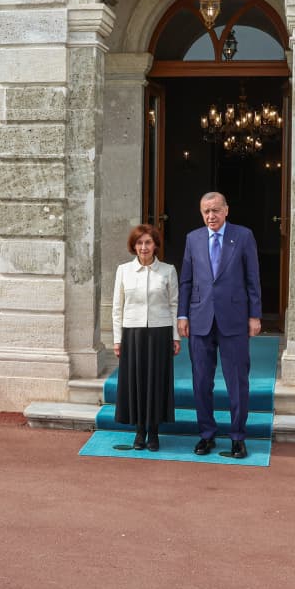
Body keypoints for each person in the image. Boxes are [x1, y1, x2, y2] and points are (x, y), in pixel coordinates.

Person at [177, 192, 261, 459]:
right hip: (200, 319)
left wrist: (255, 315)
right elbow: (186, 281)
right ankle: (207, 434)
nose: (210, 216)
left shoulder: (243, 236)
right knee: (201, 381)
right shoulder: (193, 238)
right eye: (206, 211)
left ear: (226, 210)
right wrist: (182, 315)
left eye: (215, 210)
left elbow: (253, 278)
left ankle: (237, 437)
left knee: (237, 381)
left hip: (234, 319)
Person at [112, 224, 180, 452]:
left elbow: (174, 305)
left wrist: (175, 337)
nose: (144, 247)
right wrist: (117, 339)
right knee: (137, 382)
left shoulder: (168, 271)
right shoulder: (123, 270)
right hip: (132, 333)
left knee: (156, 382)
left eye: (148, 242)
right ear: (134, 246)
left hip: (160, 332)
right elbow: (117, 308)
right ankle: (139, 431)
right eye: (139, 243)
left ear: (155, 245)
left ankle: (154, 432)